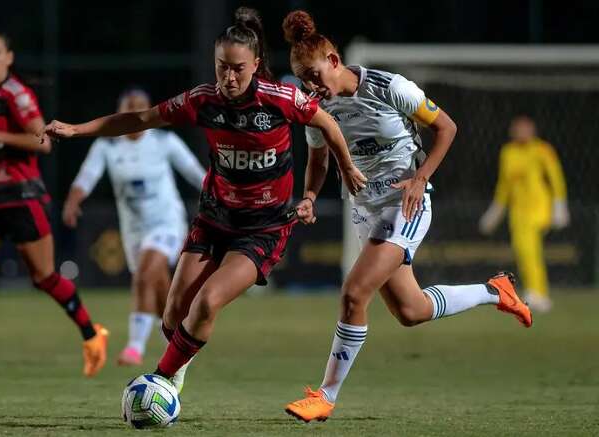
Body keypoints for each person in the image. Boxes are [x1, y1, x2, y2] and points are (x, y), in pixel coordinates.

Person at [43, 7, 366, 393]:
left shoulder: (279, 98)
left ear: (256, 64)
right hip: (214, 219)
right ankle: (175, 369)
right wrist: (76, 129)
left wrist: (344, 169)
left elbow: (327, 123)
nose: (229, 77)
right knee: (174, 313)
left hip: (263, 228)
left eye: (238, 68)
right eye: (221, 67)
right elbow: (141, 119)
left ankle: (161, 383)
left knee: (208, 302)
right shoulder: (202, 100)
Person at [281, 10, 533, 422]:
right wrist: (309, 195)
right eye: (303, 79)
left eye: (314, 74)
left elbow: (447, 127)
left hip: (406, 204)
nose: (311, 85)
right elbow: (319, 159)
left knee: (353, 293)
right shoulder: (313, 105)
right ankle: (495, 291)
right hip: (365, 209)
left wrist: (420, 178)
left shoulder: (388, 86)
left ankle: (325, 396)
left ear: (333, 60)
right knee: (411, 311)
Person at [0, 32, 108, 378]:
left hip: (22, 197)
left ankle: (91, 334)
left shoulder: (16, 94)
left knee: (44, 278)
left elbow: (42, 142)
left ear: (8, 58)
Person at [63, 87, 206, 368]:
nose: (134, 112)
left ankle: (134, 348)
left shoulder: (164, 141)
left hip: (167, 221)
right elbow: (87, 176)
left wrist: (219, 197)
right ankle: (177, 341)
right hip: (133, 231)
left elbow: (194, 172)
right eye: (128, 107)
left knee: (144, 272)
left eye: (139, 107)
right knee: (160, 285)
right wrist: (73, 200)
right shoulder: (107, 145)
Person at [479, 115, 569, 312]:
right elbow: (504, 186)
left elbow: (556, 178)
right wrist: (495, 212)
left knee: (529, 250)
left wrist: (559, 206)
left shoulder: (542, 150)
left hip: (539, 208)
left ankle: (537, 292)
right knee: (524, 251)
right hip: (518, 212)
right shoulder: (508, 152)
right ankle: (536, 292)